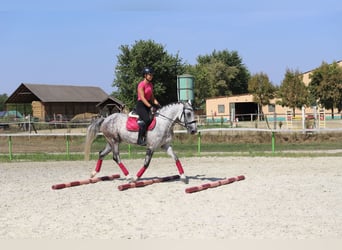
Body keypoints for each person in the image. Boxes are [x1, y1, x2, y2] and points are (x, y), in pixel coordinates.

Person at [135, 67, 161, 146]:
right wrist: (150, 106)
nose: (151, 76)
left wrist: (159, 105)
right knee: (146, 119)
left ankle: (149, 136)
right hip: (141, 105)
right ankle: (140, 139)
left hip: (148, 104)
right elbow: (142, 98)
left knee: (156, 117)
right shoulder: (141, 85)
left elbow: (152, 98)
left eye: (152, 75)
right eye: (149, 75)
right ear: (145, 75)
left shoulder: (150, 85)